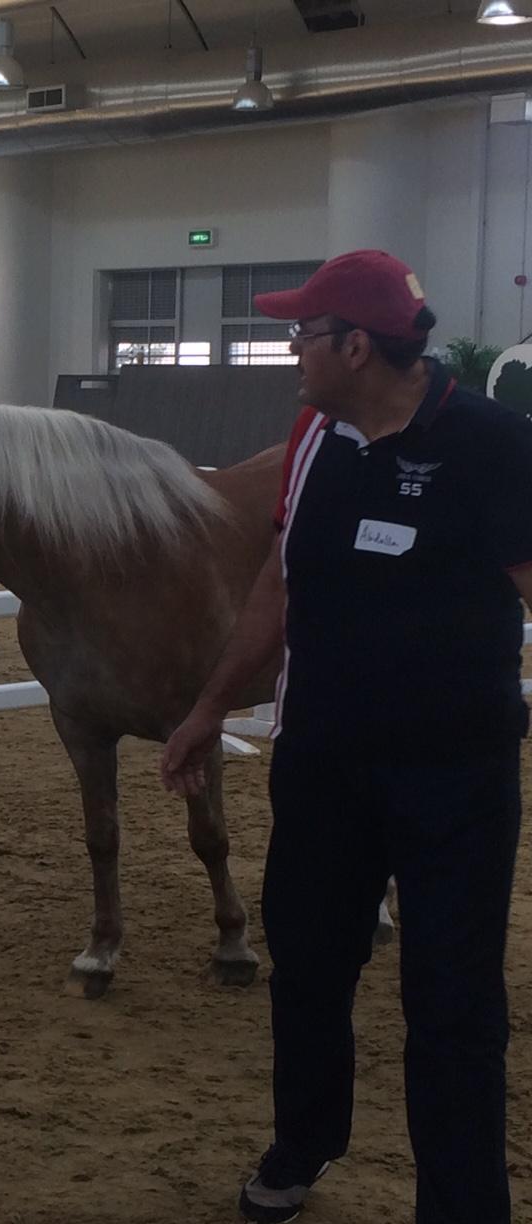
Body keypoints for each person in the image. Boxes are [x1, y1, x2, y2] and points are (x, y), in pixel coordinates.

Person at [159, 250, 531, 1224]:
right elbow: (280, 587)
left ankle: (464, 1207)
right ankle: (305, 1140)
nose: (292, 348)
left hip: (456, 777)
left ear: (356, 346)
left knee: (452, 1004)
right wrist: (207, 709)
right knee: (310, 966)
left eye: (304, 333)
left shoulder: (493, 444)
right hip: (324, 765)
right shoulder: (315, 436)